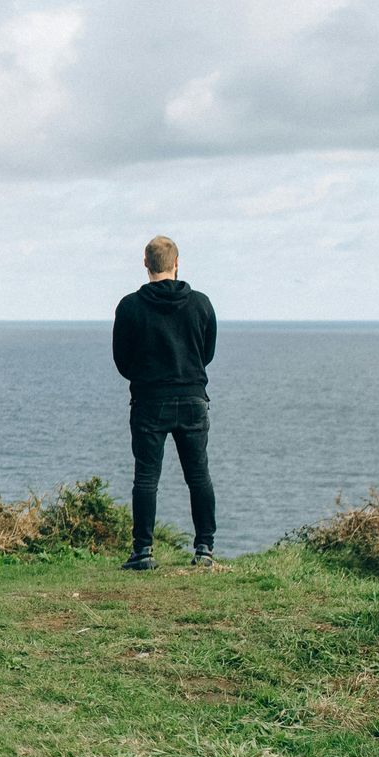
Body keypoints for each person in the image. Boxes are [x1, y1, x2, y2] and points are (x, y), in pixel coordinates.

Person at [111, 235, 218, 571]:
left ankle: (142, 552)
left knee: (146, 478)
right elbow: (207, 353)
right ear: (176, 262)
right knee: (198, 475)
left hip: (148, 401)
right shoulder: (201, 304)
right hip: (192, 399)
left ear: (146, 263)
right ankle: (204, 550)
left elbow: (122, 361)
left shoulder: (129, 307)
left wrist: (145, 377)